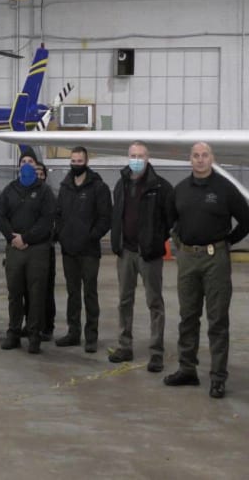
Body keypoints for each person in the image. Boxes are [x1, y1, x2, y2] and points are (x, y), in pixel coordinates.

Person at [165, 142, 249, 399]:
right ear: (189, 160)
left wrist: (227, 243)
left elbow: (246, 219)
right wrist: (179, 243)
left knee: (217, 321)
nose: (200, 160)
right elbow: (171, 220)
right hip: (188, 261)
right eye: (196, 156)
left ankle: (217, 377)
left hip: (216, 261)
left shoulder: (225, 189)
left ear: (212, 158)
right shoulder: (180, 190)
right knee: (188, 317)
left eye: (205, 155)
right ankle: (187, 369)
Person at [108, 141, 173, 372]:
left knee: (154, 302)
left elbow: (169, 220)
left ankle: (156, 352)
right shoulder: (121, 184)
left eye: (140, 155)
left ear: (148, 158)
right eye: (133, 155)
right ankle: (124, 346)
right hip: (125, 252)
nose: (136, 159)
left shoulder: (161, 187)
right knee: (124, 301)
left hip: (149, 255)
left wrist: (155, 241)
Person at [54, 146, 112, 354]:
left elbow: (106, 218)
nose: (76, 164)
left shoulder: (98, 187)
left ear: (86, 162)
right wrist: (61, 235)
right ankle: (73, 333)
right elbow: (58, 214)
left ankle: (91, 336)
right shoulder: (65, 186)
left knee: (89, 293)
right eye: (73, 161)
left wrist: (91, 236)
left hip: (89, 251)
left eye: (80, 161)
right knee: (72, 293)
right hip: (69, 250)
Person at [0, 149, 56, 354]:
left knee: (36, 294)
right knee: (15, 293)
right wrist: (12, 238)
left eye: (30, 161)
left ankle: (34, 336)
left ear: (36, 165)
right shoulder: (9, 190)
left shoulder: (45, 192)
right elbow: (2, 216)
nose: (26, 164)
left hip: (37, 250)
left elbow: (47, 221)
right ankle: (13, 333)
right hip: (14, 248)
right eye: (23, 161)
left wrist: (26, 238)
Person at [33, 162, 57, 341]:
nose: (39, 176)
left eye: (42, 173)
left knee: (46, 289)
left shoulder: (50, 195)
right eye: (36, 173)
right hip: (30, 249)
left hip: (46, 248)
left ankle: (47, 326)